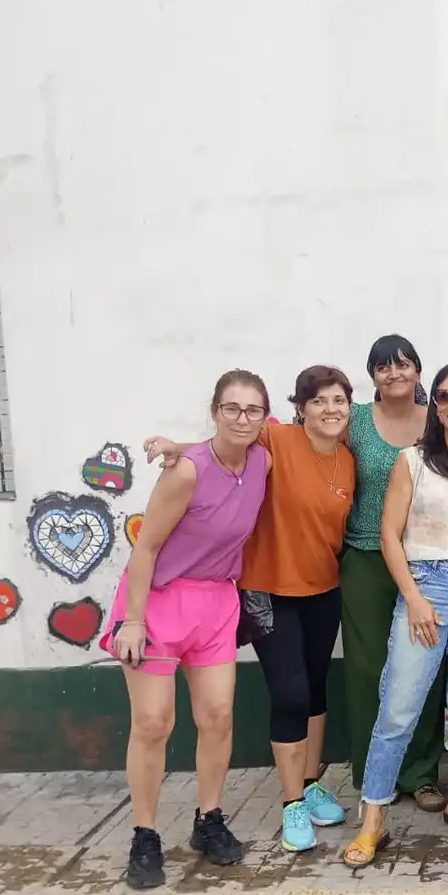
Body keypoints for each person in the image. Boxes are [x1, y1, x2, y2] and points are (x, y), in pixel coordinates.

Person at [142, 366, 356, 853]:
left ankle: (312, 781)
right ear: (300, 408)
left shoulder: (347, 460)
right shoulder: (275, 441)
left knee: (317, 690)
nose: (330, 409)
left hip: (323, 589)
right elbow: (224, 438)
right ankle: (291, 803)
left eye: (339, 400)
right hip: (266, 591)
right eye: (319, 401)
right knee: (291, 695)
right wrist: (177, 448)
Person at [104, 369, 272, 890]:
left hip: (217, 601)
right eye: (232, 408)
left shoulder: (263, 459)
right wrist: (132, 621)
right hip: (156, 603)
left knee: (218, 716)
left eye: (252, 410)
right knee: (154, 723)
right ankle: (145, 835)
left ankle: (209, 819)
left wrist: (178, 443)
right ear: (215, 410)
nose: (242, 418)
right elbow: (146, 548)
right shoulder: (186, 472)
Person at [343, 361, 448, 867]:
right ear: (434, 406)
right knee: (399, 704)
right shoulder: (411, 461)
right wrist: (415, 598)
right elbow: (389, 537)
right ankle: (373, 815)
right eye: (444, 396)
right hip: (429, 586)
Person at [340, 335, 448, 814]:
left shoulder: (439, 421)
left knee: (424, 665)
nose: (394, 374)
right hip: (366, 556)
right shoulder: (356, 421)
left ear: (419, 372)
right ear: (372, 376)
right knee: (368, 669)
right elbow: (295, 438)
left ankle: (422, 773)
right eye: (383, 367)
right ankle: (373, 773)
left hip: (427, 561)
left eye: (403, 365)